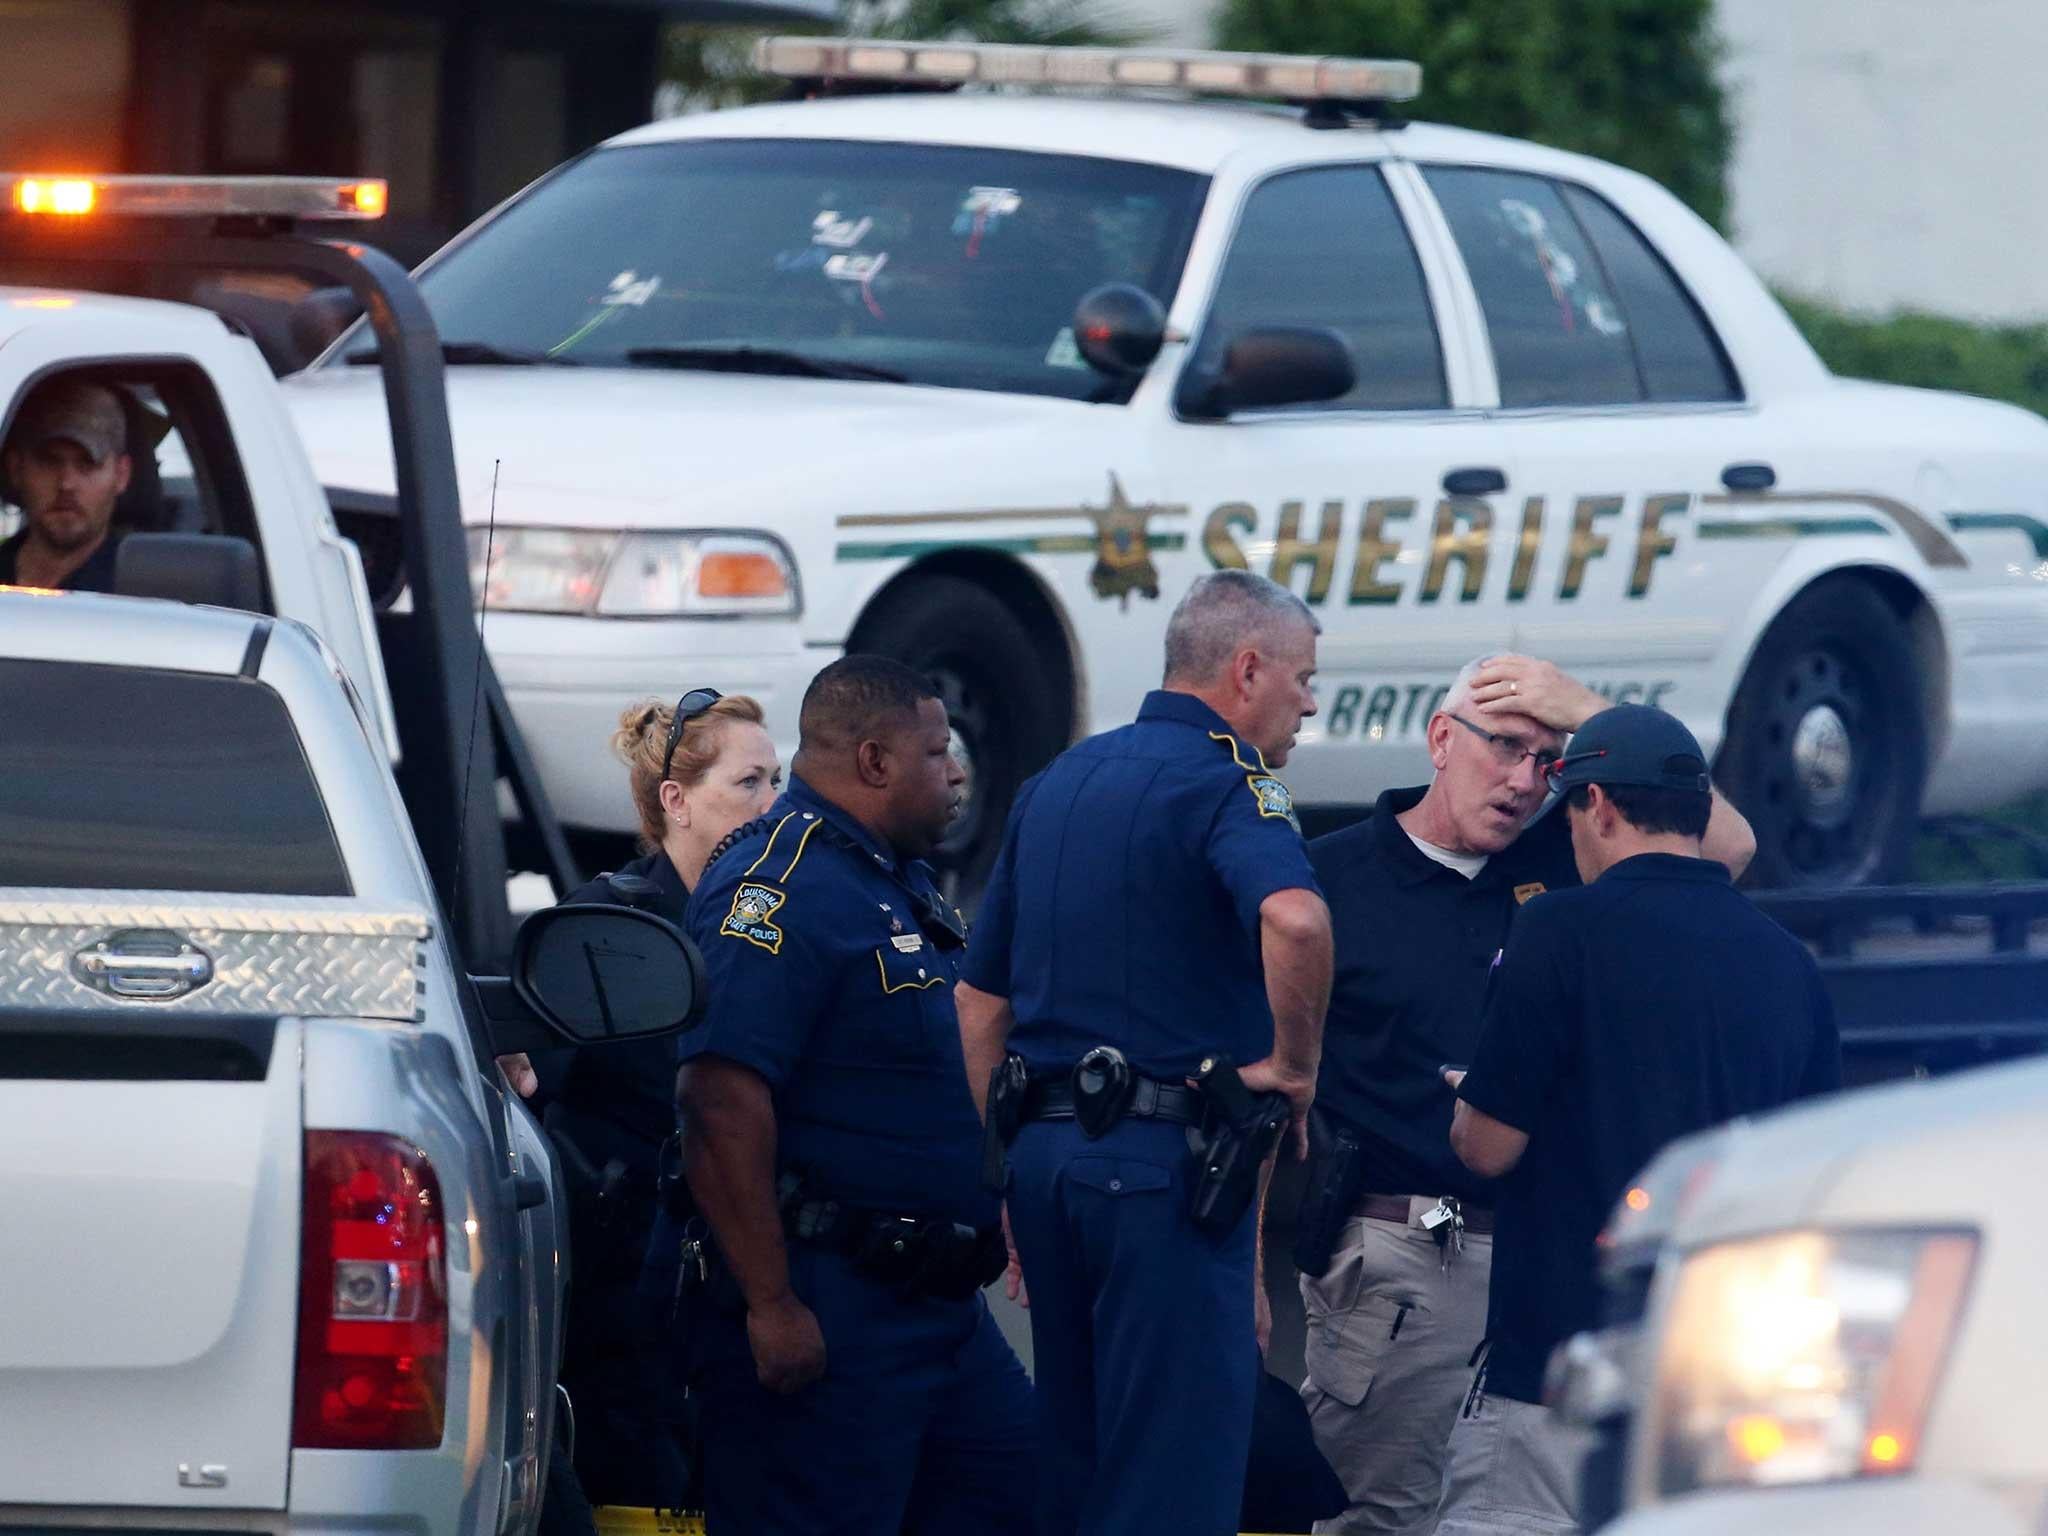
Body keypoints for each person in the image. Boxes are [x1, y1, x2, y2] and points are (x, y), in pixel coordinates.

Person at [1295, 656, 1756, 1536]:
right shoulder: (1330, 879)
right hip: (1403, 1256)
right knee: (1384, 1519)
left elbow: (1726, 845)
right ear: (1440, 739)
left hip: (1548, 1262)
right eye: (1503, 746)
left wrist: (1588, 712)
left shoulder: (1569, 858)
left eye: (1548, 764)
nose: (1521, 782)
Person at [957, 569, 1335, 1536]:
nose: (1309, 702)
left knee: (1076, 1472)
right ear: (1248, 670)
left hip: (1045, 1169)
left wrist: (1006, 1174)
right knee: (1172, 1480)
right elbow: (1295, 919)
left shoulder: (1057, 781)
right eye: (1303, 678)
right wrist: (1296, 1069)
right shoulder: (1232, 780)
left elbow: (976, 1002)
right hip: (1162, 1178)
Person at [1436, 703, 1841, 1536]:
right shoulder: (1787, 963)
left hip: (1564, 1372)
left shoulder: (1558, 927)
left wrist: (1474, 1094)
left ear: (1601, 808)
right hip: (1723, 1387)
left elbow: (1486, 1148)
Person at [671, 655, 1034, 1536]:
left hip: (941, 1310)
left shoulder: (889, 877)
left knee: (1025, 1496)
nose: (957, 774)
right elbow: (718, 1098)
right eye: (938, 752)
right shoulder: (779, 883)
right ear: (874, 762)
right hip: (833, 1307)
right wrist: (772, 1303)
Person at [501, 688, 781, 1510]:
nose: (774, 805)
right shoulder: (598, 930)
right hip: (630, 1301)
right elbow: (523, 1083)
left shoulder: (778, 924)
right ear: (675, 801)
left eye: (779, 781)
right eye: (750, 782)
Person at [0, 378, 132, 592]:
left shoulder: (142, 593)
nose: (66, 484)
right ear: (16, 468)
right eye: (49, 461)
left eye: (87, 464)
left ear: (121, 474)